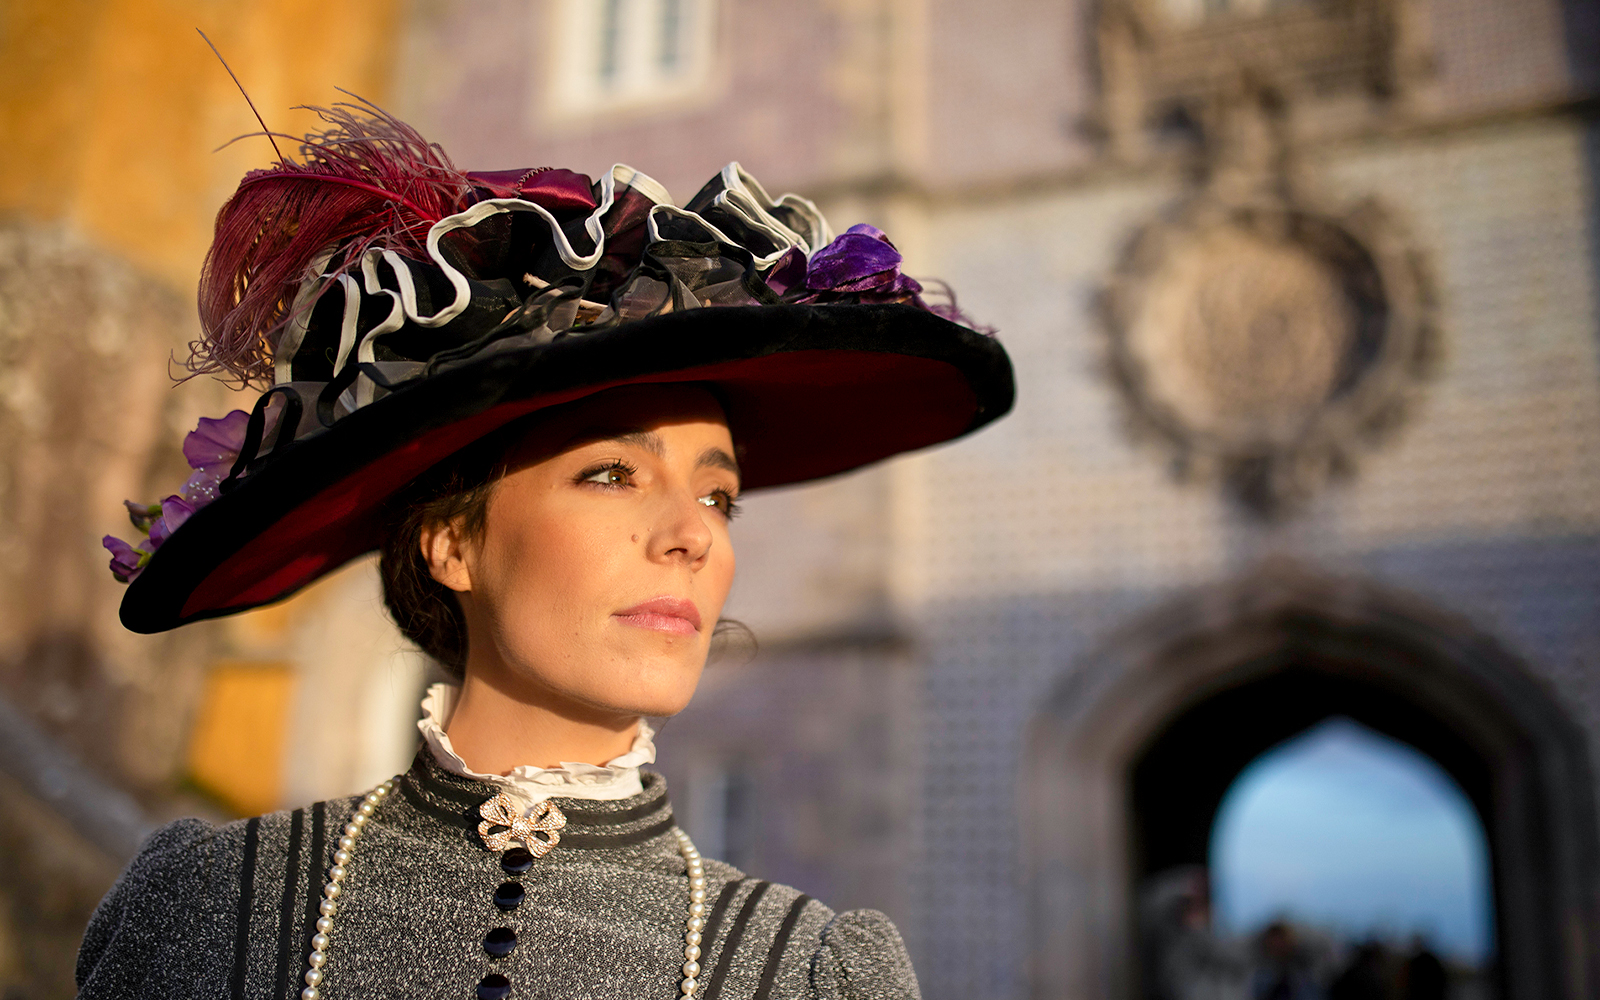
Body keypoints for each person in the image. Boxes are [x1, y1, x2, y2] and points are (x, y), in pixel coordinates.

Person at [79, 100, 1013, 1000]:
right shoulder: (210, 910)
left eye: (719, 496)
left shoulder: (812, 973)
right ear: (452, 538)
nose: (694, 535)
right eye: (613, 474)